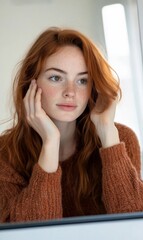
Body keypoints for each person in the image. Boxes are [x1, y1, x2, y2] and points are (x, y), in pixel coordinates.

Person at [0, 27, 143, 223]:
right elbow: (32, 235)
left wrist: (107, 132)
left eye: (82, 80)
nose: (70, 91)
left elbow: (133, 225)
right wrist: (50, 143)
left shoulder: (121, 139)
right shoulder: (4, 153)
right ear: (30, 83)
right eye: (56, 78)